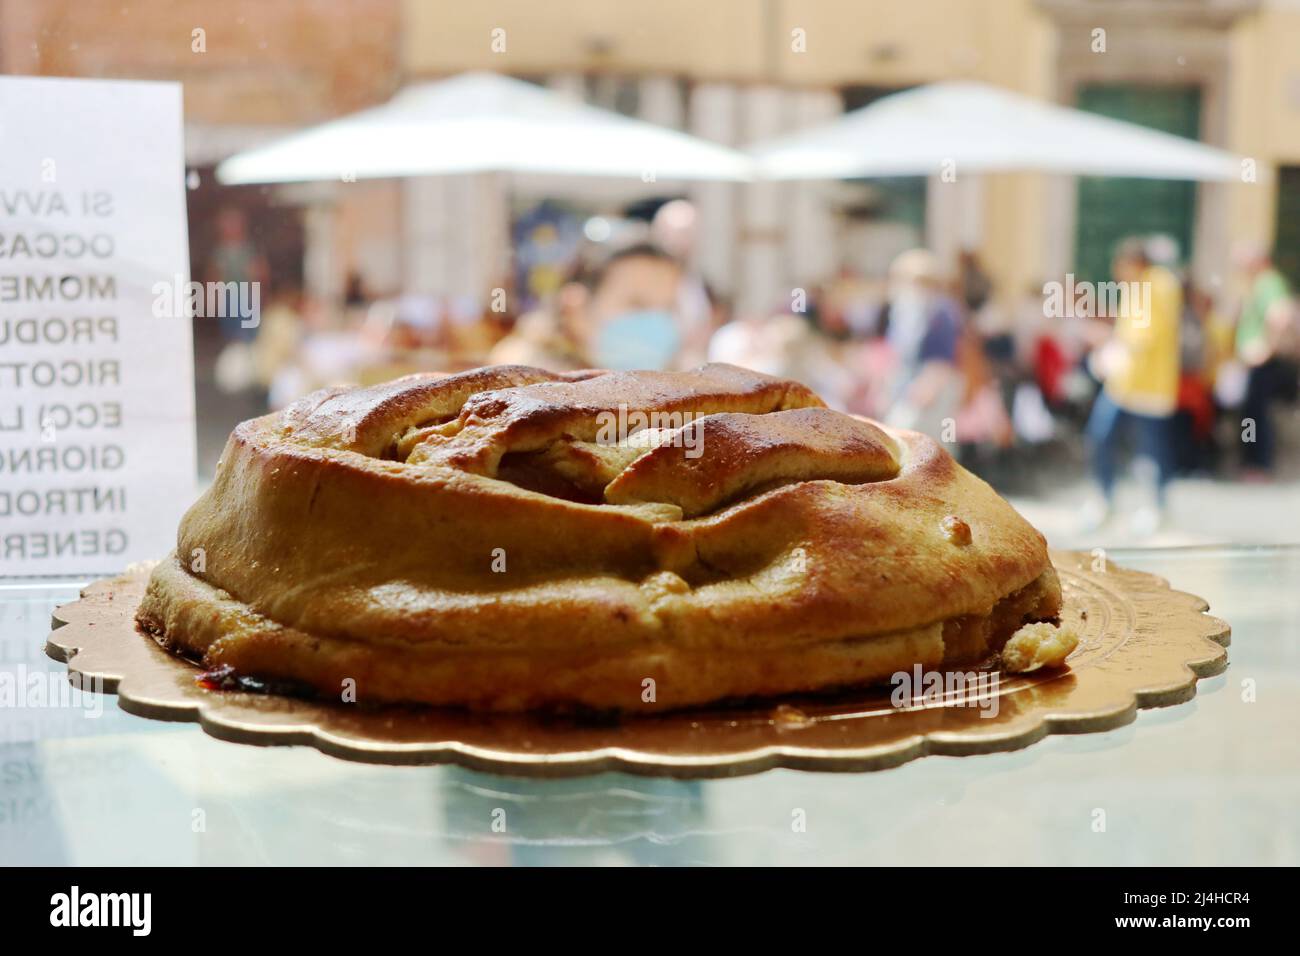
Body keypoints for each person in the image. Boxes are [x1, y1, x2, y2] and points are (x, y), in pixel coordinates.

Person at [1083, 238, 1183, 535]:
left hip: (1150, 389)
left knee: (1152, 451)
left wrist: (1111, 347)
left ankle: (1157, 506)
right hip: (1123, 385)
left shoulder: (1161, 286)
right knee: (1100, 436)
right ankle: (1104, 499)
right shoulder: (1137, 287)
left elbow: (1147, 333)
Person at [1232, 241, 1295, 477]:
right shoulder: (1260, 284)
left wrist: (1266, 349)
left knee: (1255, 416)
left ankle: (1257, 464)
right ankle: (1252, 462)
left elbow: (1281, 316)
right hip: (1255, 363)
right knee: (1251, 414)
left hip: (1264, 364)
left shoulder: (1269, 282)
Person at [578, 242, 684, 370]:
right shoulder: (551, 382)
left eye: (668, 308)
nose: (655, 320)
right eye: (637, 304)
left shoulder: (684, 383)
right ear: (583, 304)